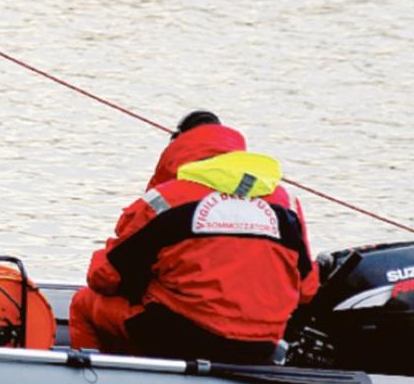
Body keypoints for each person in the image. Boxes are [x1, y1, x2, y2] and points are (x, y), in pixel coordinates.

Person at [69, 111, 319, 364]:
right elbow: (307, 289)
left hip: (184, 338)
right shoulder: (286, 204)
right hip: (260, 345)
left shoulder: (165, 201)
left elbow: (104, 278)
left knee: (84, 303)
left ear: (176, 149)